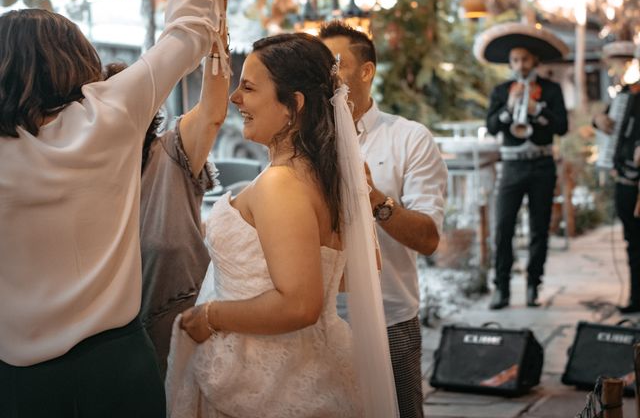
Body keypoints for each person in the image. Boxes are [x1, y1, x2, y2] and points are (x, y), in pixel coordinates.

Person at [0, 0, 228, 417]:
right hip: (117, 366)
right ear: (77, 60)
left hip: (18, 379)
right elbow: (188, 32)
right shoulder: (111, 113)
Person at [166, 33, 399, 417]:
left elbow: (300, 304)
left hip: (265, 377)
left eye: (249, 88)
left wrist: (210, 315)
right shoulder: (328, 177)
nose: (235, 98)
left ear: (294, 104)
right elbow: (357, 269)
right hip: (312, 360)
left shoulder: (281, 184)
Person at [320, 21, 447, 418]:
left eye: (335, 64)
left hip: (390, 320)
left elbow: (428, 238)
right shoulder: (305, 141)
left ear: (366, 71)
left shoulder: (409, 138)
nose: (327, 76)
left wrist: (373, 199)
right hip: (319, 320)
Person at [104, 28, 230, 380]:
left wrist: (217, 35)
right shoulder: (93, 173)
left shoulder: (173, 152)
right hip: (114, 335)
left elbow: (213, 111)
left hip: (180, 319)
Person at [474, 22, 569, 309]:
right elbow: (491, 126)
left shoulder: (551, 89)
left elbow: (562, 127)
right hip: (512, 167)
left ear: (535, 61)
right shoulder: (502, 90)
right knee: (503, 227)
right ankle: (501, 288)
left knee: (540, 228)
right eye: (515, 59)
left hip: (541, 165)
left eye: (525, 59)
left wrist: (537, 110)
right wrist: (508, 109)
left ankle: (533, 286)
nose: (520, 64)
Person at [593, 41, 640, 314]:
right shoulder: (626, 95)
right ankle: (636, 297)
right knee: (632, 243)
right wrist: (598, 120)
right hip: (626, 182)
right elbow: (608, 120)